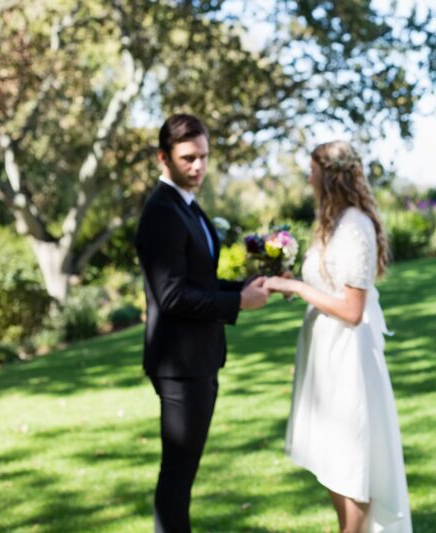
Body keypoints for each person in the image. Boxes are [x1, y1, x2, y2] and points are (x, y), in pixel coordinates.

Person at [264, 141, 412, 533]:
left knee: (351, 462)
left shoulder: (355, 226)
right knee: (331, 461)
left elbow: (352, 309)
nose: (308, 177)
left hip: (348, 358)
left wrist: (295, 289)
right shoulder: (330, 223)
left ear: (328, 176)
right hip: (325, 356)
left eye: (312, 170)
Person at [135, 113, 269, 532]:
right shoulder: (162, 212)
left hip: (199, 360)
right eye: (188, 157)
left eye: (204, 157)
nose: (198, 166)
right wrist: (238, 304)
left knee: (182, 472)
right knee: (177, 474)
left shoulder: (188, 207)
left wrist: (244, 287)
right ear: (164, 158)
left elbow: (199, 281)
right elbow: (171, 295)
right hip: (180, 365)